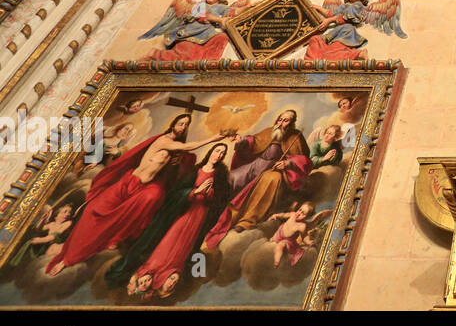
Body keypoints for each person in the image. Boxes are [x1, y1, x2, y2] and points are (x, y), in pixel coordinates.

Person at [47, 113, 231, 275]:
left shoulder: (174, 149)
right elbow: (188, 147)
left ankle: (115, 238)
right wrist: (214, 138)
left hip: (147, 187)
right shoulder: (164, 140)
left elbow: (175, 168)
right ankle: (68, 256)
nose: (183, 127)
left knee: (154, 197)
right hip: (130, 183)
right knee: (94, 211)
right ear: (173, 124)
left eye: (186, 125)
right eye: (181, 123)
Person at [114, 142, 231, 298]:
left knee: (185, 243)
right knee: (170, 239)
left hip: (200, 213)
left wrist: (209, 193)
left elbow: (220, 198)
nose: (219, 155)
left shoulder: (220, 175)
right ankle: (151, 270)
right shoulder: (196, 170)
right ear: (211, 151)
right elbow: (178, 192)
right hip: (186, 210)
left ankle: (167, 275)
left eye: (223, 153)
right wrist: (196, 191)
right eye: (218, 151)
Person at [203, 110, 312, 248]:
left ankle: (246, 221)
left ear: (291, 123)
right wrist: (241, 140)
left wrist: (287, 163)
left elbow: (305, 161)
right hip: (256, 165)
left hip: (274, 170)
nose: (281, 123)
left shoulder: (296, 137)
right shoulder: (270, 131)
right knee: (232, 177)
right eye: (280, 119)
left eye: (286, 120)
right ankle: (215, 212)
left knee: (271, 179)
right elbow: (255, 141)